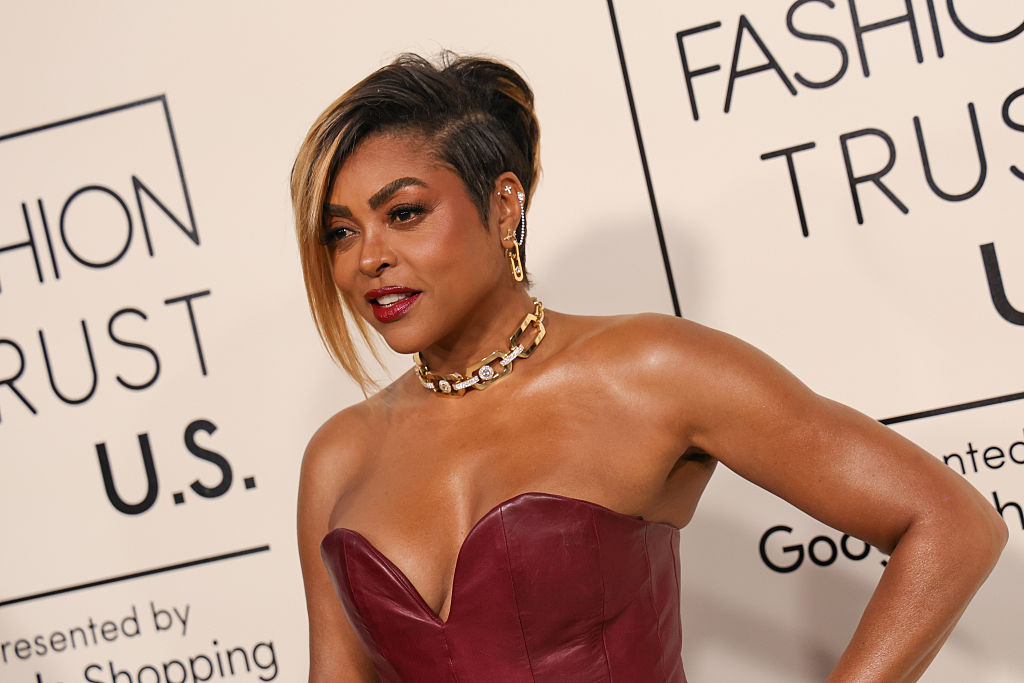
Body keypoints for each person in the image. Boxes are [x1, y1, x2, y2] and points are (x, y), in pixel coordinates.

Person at [291, 52, 1006, 682]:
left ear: (504, 204)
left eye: (405, 213)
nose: (368, 258)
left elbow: (951, 525)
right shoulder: (340, 454)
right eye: (341, 232)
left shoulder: (648, 371)